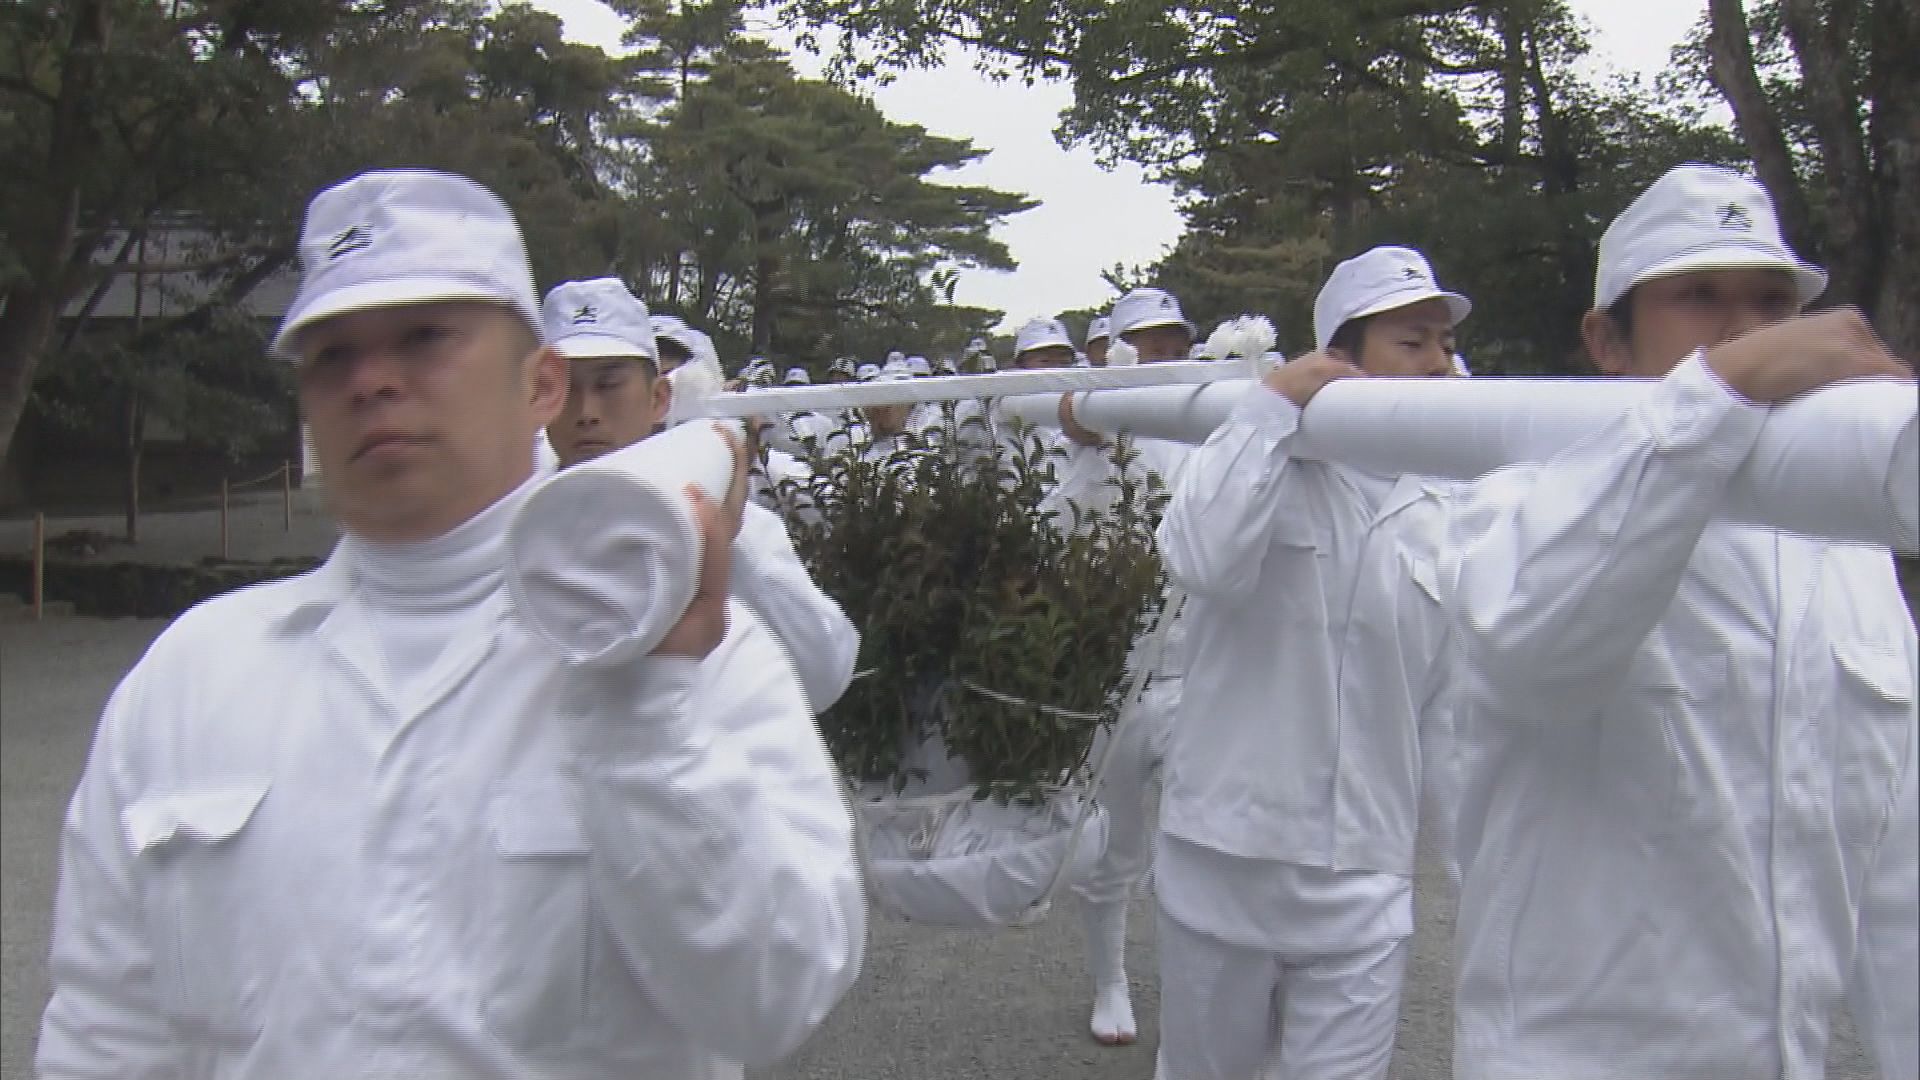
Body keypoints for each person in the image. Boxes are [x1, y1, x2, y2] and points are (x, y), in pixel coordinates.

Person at [36, 170, 866, 1080]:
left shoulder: (698, 654)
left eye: (424, 337)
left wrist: (647, 722)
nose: (371, 382)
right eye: (331, 356)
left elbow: (775, 999)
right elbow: (106, 1034)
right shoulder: (191, 676)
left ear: (540, 384)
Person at [1429, 163, 1917, 1080]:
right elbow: (1537, 651)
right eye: (1699, 297)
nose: (1746, 329)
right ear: (1605, 340)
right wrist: (1719, 391)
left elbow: (1898, 862)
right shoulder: (1519, 503)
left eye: (1773, 302)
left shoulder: (1846, 552)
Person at [1151, 247, 1470, 1080]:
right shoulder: (1256, 465)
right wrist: (1269, 408)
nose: (1439, 364)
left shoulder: (1451, 503)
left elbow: (1451, 708)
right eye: (1413, 341)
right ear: (1339, 355)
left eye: (1443, 343)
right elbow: (1201, 558)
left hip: (1364, 891)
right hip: (1223, 871)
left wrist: (1484, 878)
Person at [541, 278, 857, 715]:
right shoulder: (509, 526)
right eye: (567, 389)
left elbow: (822, 678)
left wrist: (728, 545)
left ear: (658, 398)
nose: (586, 412)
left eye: (609, 384)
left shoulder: (740, 526)